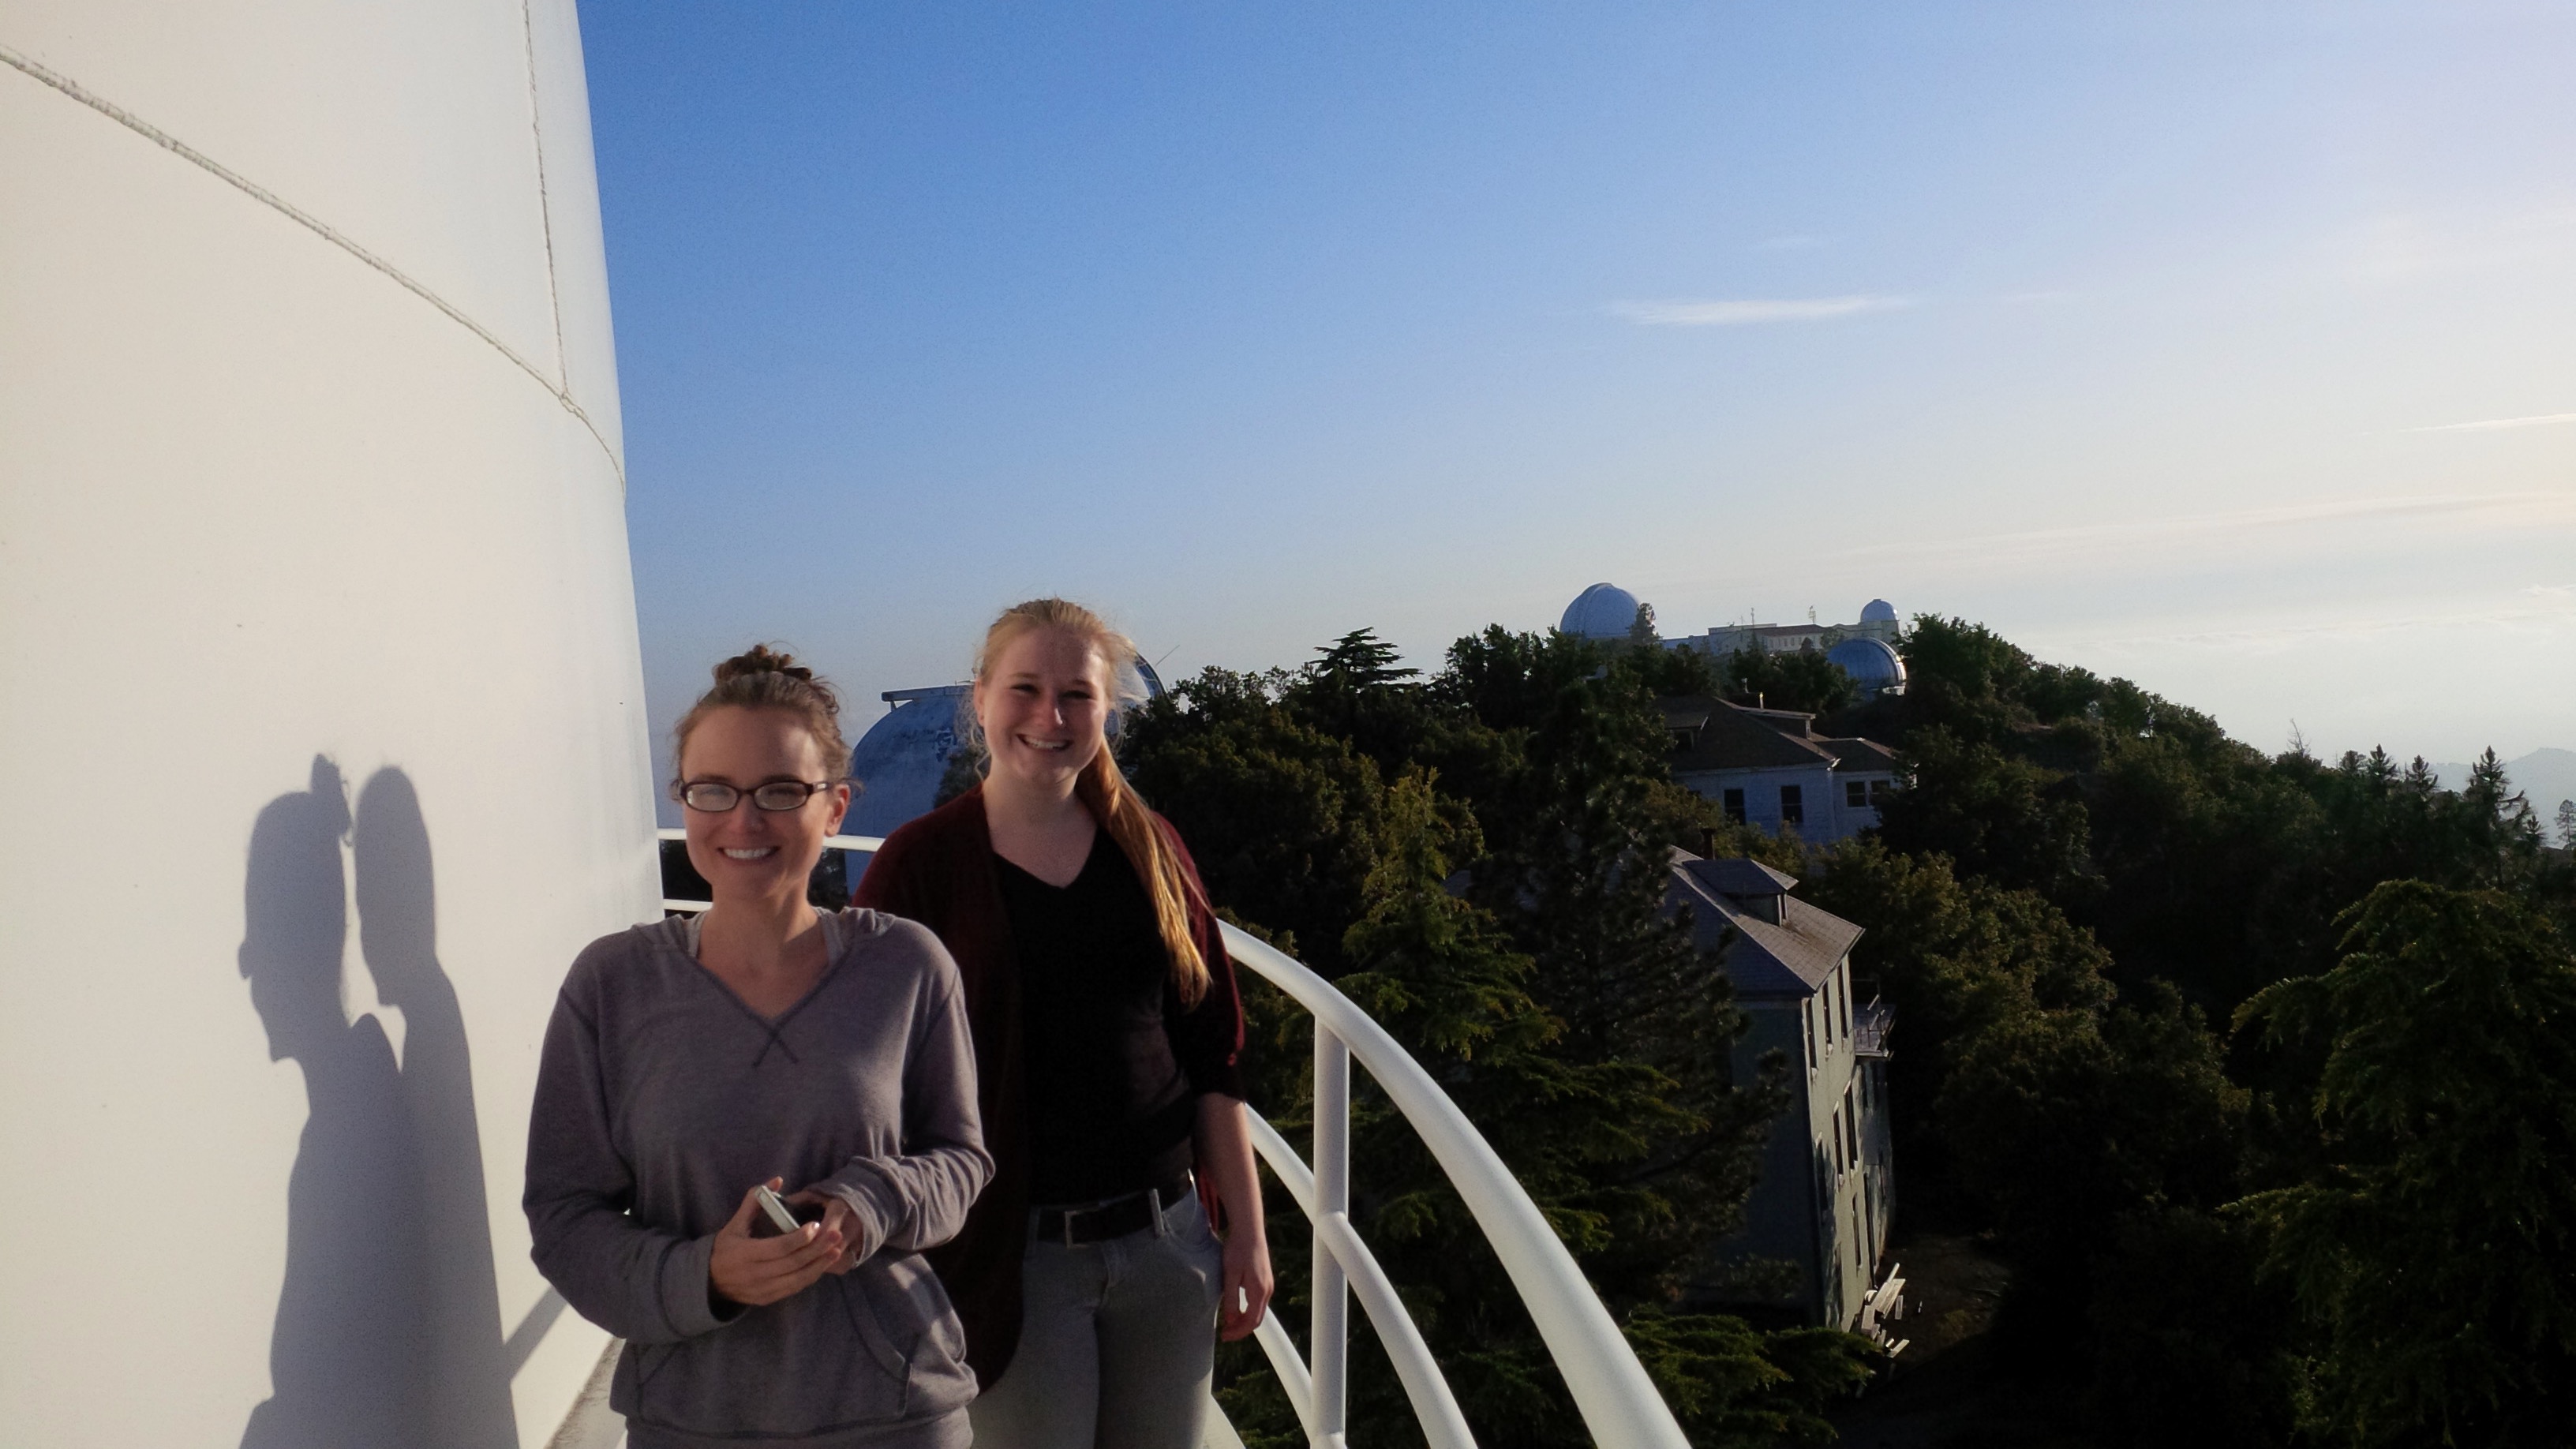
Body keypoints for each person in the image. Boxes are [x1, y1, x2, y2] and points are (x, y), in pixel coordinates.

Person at [526, 647, 991, 1449]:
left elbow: (960, 1161)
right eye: (713, 790)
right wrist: (705, 1274)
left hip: (898, 1411)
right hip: (691, 1422)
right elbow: (564, 1217)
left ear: (835, 808)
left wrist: (871, 1202)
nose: (743, 821)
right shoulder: (612, 985)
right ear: (682, 799)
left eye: (781, 791)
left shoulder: (906, 965)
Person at [855, 598, 1274, 1449]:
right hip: (1012, 1259)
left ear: (1105, 709)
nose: (1051, 716)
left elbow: (1212, 1053)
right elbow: (859, 1059)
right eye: (1025, 689)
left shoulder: (1151, 848)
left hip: (1166, 1245)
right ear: (981, 699)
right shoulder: (922, 865)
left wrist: (1248, 1237)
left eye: (1077, 695)